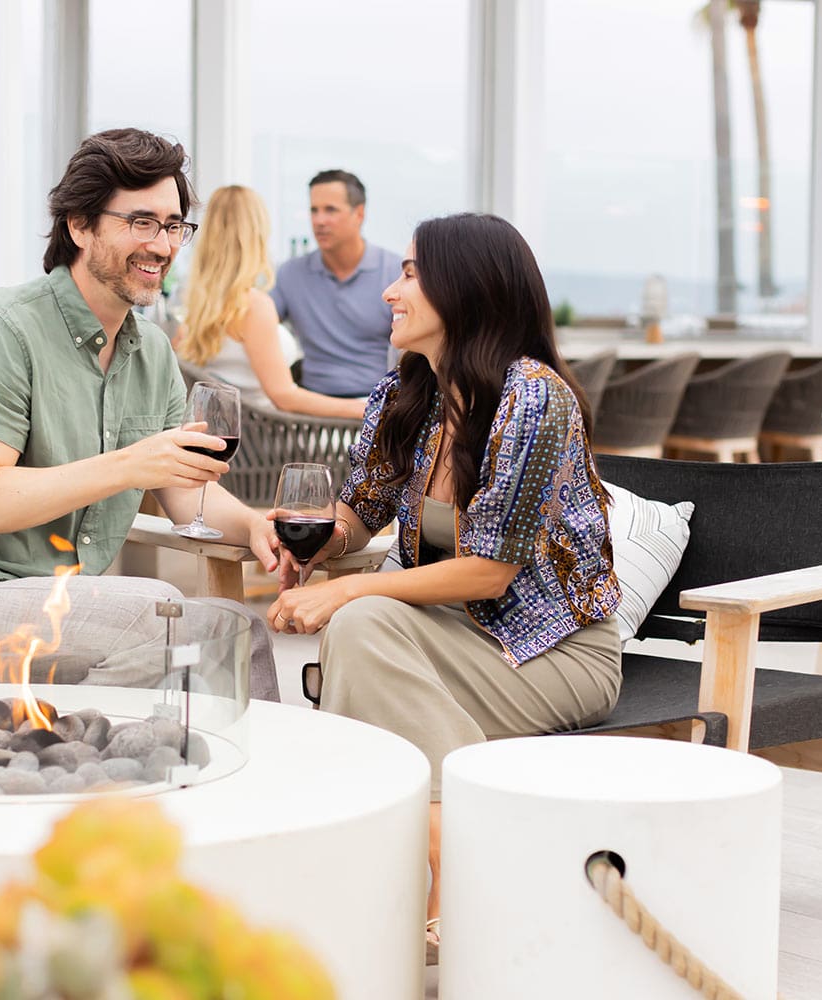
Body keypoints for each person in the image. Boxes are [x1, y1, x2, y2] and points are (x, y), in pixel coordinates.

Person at [265, 213, 623, 957]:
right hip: (457, 638)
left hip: (555, 652)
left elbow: (492, 569)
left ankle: (444, 874)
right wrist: (312, 538)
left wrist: (345, 590)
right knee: (361, 631)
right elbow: (358, 514)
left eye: (410, 274)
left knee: (358, 625)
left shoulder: (533, 398)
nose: (391, 292)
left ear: (466, 289)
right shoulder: (410, 394)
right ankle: (450, 866)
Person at [0, 128, 282, 701]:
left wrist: (252, 525)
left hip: (62, 610)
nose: (163, 246)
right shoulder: (0, 332)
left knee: (211, 634)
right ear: (79, 226)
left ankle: (93, 768)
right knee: (201, 629)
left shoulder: (153, 351)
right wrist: (129, 465)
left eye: (172, 227)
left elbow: (186, 489)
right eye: (141, 222)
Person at [174, 185, 366, 420]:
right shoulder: (252, 305)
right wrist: (367, 409)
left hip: (239, 438)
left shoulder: (199, 305)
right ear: (256, 234)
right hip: (271, 439)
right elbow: (284, 397)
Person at [272, 169, 402, 399]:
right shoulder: (290, 273)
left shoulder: (395, 273)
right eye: (314, 210)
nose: (319, 221)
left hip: (378, 405)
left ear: (359, 214)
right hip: (310, 411)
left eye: (330, 210)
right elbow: (253, 324)